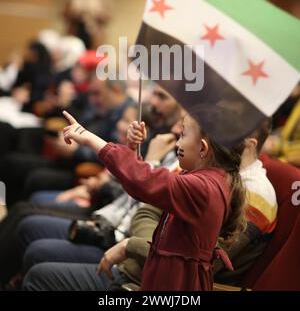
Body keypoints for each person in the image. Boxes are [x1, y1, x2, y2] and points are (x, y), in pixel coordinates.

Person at [58, 106, 246, 291]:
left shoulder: (203, 188)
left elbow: (145, 180)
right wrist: (131, 149)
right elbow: (140, 185)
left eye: (182, 135)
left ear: (203, 148)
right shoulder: (207, 181)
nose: (177, 143)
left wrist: (89, 138)